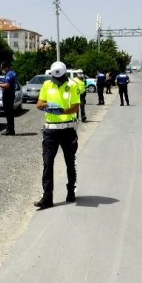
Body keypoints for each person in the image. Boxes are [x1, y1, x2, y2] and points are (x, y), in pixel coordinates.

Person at [34, 61, 80, 209]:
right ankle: (47, 198)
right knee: (47, 164)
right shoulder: (47, 85)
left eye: (59, 79)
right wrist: (49, 106)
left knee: (70, 162)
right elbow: (39, 104)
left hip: (67, 129)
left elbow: (75, 106)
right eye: (55, 79)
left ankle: (71, 191)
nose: (57, 81)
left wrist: (61, 111)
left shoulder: (73, 85)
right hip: (50, 131)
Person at [0, 62, 17, 135]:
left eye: (2, 68)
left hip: (8, 95)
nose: (2, 70)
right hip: (9, 95)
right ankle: (10, 129)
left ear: (6, 67)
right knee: (9, 113)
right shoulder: (9, 74)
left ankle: (10, 130)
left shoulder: (9, 74)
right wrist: (1, 83)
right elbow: (5, 83)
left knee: (9, 113)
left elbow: (7, 85)